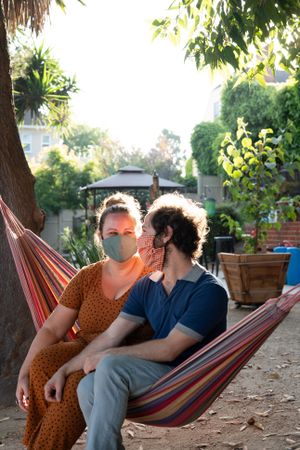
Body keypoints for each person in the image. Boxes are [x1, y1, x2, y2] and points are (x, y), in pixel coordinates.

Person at [45, 193, 229, 450]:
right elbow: (110, 336)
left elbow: (170, 348)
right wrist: (64, 370)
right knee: (87, 385)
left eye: (144, 231)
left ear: (165, 234)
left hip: (185, 382)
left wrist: (109, 355)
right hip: (154, 378)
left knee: (111, 365)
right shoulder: (147, 286)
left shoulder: (208, 291)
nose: (138, 241)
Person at [16, 193, 151, 450]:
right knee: (43, 362)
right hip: (84, 346)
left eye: (128, 232)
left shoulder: (151, 276)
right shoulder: (87, 277)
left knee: (76, 382)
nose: (120, 239)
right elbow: (52, 328)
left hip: (121, 354)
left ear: (139, 235)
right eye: (112, 233)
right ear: (100, 237)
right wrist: (24, 373)